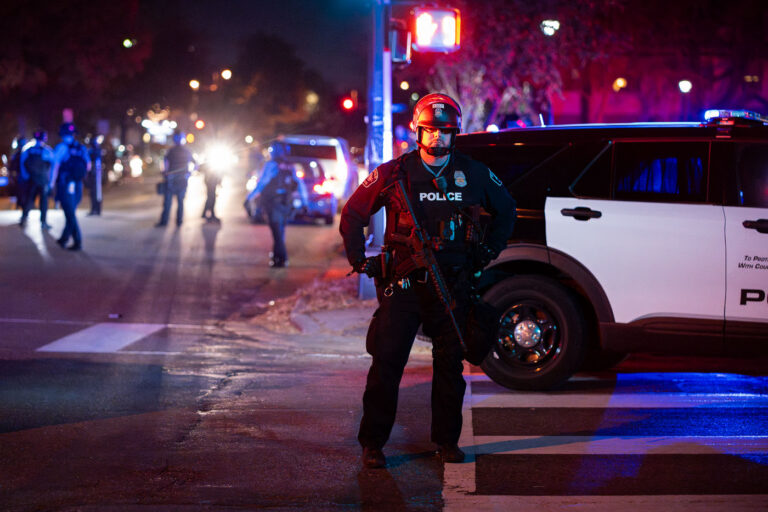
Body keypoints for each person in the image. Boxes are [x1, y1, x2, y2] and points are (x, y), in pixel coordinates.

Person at [339, 93, 516, 468]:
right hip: (403, 285)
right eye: (431, 131)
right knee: (387, 364)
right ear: (418, 131)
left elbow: (507, 210)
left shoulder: (474, 172)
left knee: (450, 367)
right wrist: (359, 259)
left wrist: (489, 251)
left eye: (445, 132)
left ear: (456, 133)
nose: (437, 138)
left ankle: (446, 442)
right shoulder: (393, 173)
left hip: (453, 284)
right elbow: (353, 213)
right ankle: (373, 444)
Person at [246, 141, 308, 267]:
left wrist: (249, 197)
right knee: (280, 231)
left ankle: (282, 258)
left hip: (273, 203)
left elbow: (262, 183)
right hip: (286, 203)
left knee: (277, 232)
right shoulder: (290, 166)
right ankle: (277, 257)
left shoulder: (271, 165)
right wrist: (305, 202)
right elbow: (300, 184)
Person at [53, 122, 90, 250]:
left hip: (65, 184)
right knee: (71, 212)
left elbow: (55, 167)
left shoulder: (61, 148)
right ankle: (64, 238)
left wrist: (51, 184)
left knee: (70, 214)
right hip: (78, 184)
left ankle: (77, 242)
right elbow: (88, 166)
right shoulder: (81, 148)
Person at [157, 132, 195, 227]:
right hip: (179, 179)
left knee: (169, 202)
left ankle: (166, 222)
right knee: (178, 201)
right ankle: (178, 221)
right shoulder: (186, 151)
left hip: (173, 179)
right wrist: (189, 173)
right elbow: (195, 165)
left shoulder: (172, 151)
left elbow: (164, 164)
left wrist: (165, 173)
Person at [19, 130, 55, 229]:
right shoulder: (46, 150)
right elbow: (52, 166)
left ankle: (24, 218)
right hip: (41, 180)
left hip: (32, 179)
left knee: (30, 200)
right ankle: (43, 222)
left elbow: (22, 163)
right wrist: (51, 181)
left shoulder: (29, 149)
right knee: (42, 202)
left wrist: (25, 175)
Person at [9, 135, 27, 210]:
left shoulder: (26, 153)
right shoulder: (17, 155)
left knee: (25, 191)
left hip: (25, 175)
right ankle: (20, 204)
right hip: (19, 175)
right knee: (19, 190)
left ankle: (25, 205)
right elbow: (12, 166)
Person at [86, 136, 103, 215]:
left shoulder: (96, 151)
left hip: (96, 175)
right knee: (93, 193)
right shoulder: (93, 151)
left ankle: (97, 209)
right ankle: (94, 209)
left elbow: (97, 163)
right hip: (94, 174)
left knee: (96, 193)